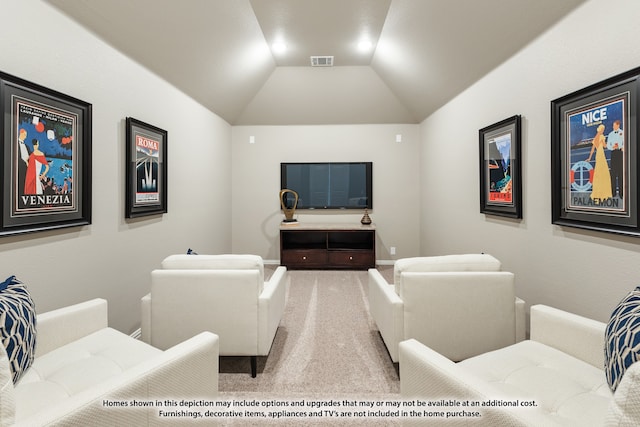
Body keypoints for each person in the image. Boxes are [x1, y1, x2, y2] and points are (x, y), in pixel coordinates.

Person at [586, 124, 612, 202]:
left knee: (598, 173)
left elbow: (592, 149)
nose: (603, 130)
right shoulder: (602, 136)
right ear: (601, 130)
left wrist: (589, 158)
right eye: (603, 129)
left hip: (598, 155)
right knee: (603, 172)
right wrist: (611, 143)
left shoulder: (595, 138)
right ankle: (604, 193)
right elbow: (605, 146)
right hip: (601, 155)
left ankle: (598, 192)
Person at [607, 120, 624, 197]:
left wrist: (620, 147)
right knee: (613, 173)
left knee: (621, 173)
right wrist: (612, 147)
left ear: (618, 125)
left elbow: (624, 143)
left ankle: (621, 193)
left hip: (620, 153)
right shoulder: (610, 134)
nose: (613, 127)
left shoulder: (623, 132)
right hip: (613, 153)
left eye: (614, 125)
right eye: (613, 126)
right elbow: (608, 145)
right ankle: (613, 193)